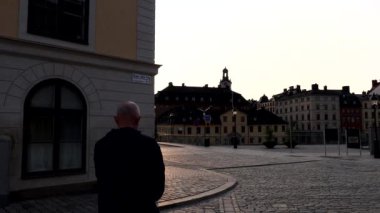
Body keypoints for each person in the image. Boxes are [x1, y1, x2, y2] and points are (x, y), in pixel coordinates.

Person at [94, 101, 165, 212]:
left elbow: (101, 181)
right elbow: (158, 188)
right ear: (138, 120)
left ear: (116, 120)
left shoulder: (101, 145)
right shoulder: (150, 146)